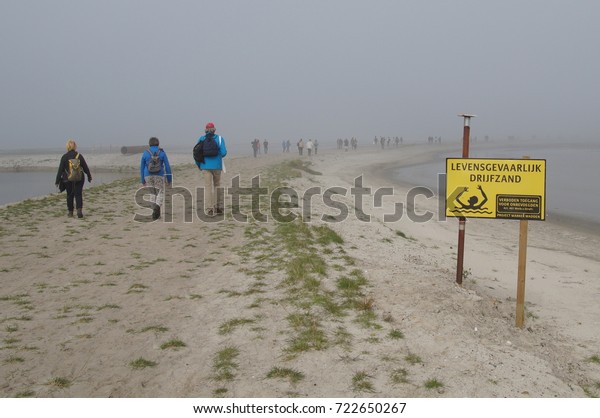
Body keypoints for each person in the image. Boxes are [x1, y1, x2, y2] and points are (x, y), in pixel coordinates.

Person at [195, 122, 227, 216]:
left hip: (205, 166)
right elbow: (224, 153)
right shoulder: (220, 139)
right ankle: (218, 207)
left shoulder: (201, 139)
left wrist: (199, 165)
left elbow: (196, 153)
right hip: (217, 166)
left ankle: (209, 209)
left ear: (205, 130)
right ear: (214, 130)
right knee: (217, 185)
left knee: (208, 187)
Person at [55, 139, 92, 218]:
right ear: (75, 146)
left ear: (67, 146)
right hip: (79, 178)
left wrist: (57, 181)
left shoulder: (64, 157)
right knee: (78, 194)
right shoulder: (79, 156)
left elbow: (60, 170)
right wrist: (89, 176)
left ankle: (70, 212)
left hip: (67, 179)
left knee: (69, 195)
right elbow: (85, 167)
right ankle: (79, 210)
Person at [140, 137, 172, 220]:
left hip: (148, 175)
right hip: (159, 175)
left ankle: (154, 213)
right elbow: (167, 166)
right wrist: (169, 179)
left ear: (149, 144)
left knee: (152, 193)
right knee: (160, 193)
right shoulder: (162, 152)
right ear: (158, 143)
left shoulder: (145, 153)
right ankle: (157, 207)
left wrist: (142, 180)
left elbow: (142, 167)